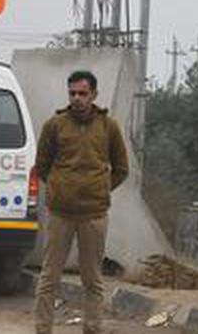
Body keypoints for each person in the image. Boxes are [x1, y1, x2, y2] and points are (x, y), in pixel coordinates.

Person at [33, 70, 129, 334]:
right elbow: (42, 166)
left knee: (92, 280)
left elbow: (121, 168)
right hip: (60, 213)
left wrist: (99, 189)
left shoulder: (109, 127)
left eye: (82, 93)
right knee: (49, 277)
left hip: (94, 214)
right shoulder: (55, 125)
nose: (77, 98)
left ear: (94, 95)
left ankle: (92, 328)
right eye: (72, 93)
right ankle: (42, 329)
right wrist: (59, 188)